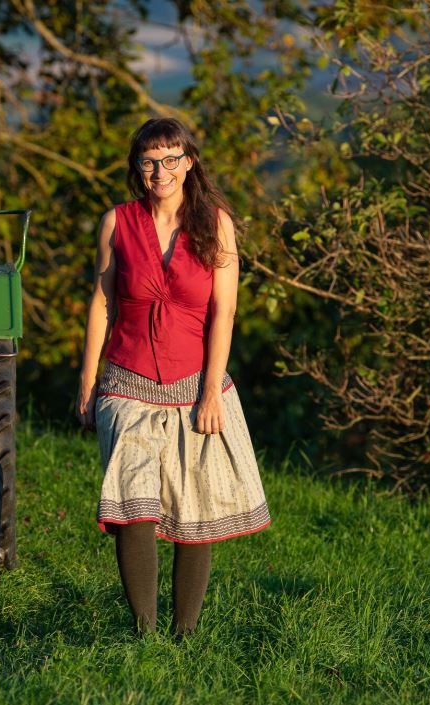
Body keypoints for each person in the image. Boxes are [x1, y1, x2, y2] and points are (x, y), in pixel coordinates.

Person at [76, 118, 270, 636]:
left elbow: (223, 314)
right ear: (137, 168)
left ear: (188, 163)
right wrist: (88, 379)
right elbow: (102, 300)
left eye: (169, 159)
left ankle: (183, 637)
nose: (158, 170)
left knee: (194, 510)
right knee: (132, 506)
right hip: (126, 379)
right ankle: (144, 633)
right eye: (148, 160)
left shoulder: (216, 223)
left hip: (194, 384)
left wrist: (211, 392)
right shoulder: (116, 222)